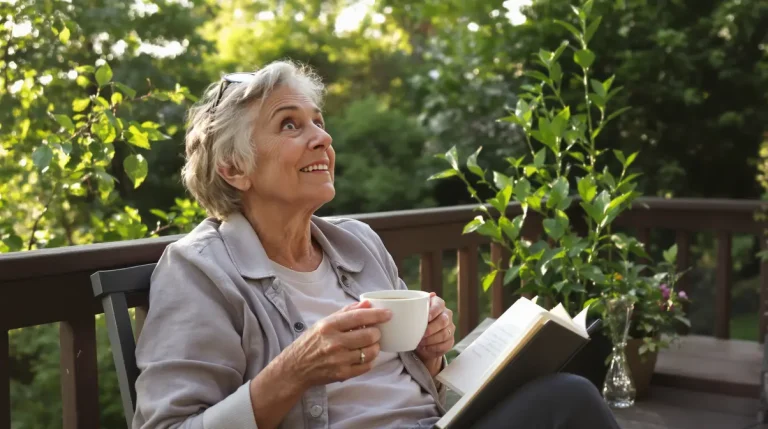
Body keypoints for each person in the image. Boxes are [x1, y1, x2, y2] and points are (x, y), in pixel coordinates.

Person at [132, 60, 622, 429]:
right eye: (289, 124)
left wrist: (431, 355)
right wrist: (293, 373)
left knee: (569, 383)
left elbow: (409, 391)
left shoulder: (357, 243)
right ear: (233, 169)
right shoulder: (198, 270)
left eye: (318, 121)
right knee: (570, 401)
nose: (322, 138)